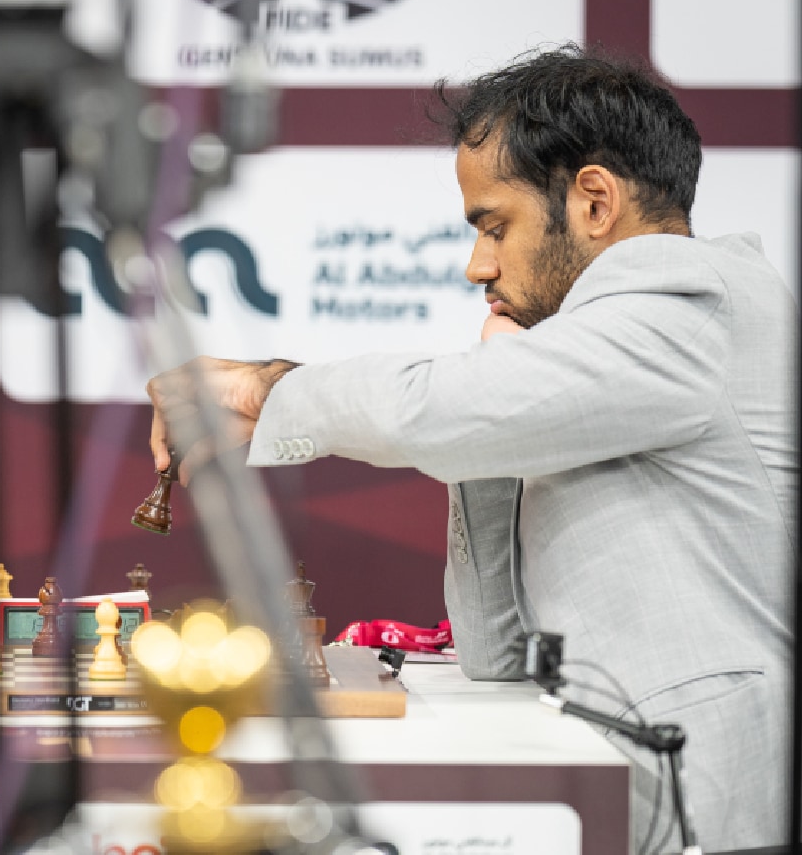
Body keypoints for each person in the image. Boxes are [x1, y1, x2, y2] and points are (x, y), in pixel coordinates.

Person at [146, 46, 796, 853]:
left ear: (594, 201)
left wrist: (269, 387)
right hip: (625, 798)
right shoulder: (601, 372)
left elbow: (448, 409)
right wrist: (503, 377)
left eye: (496, 226)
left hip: (721, 808)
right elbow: (496, 651)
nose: (476, 265)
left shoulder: (690, 297)